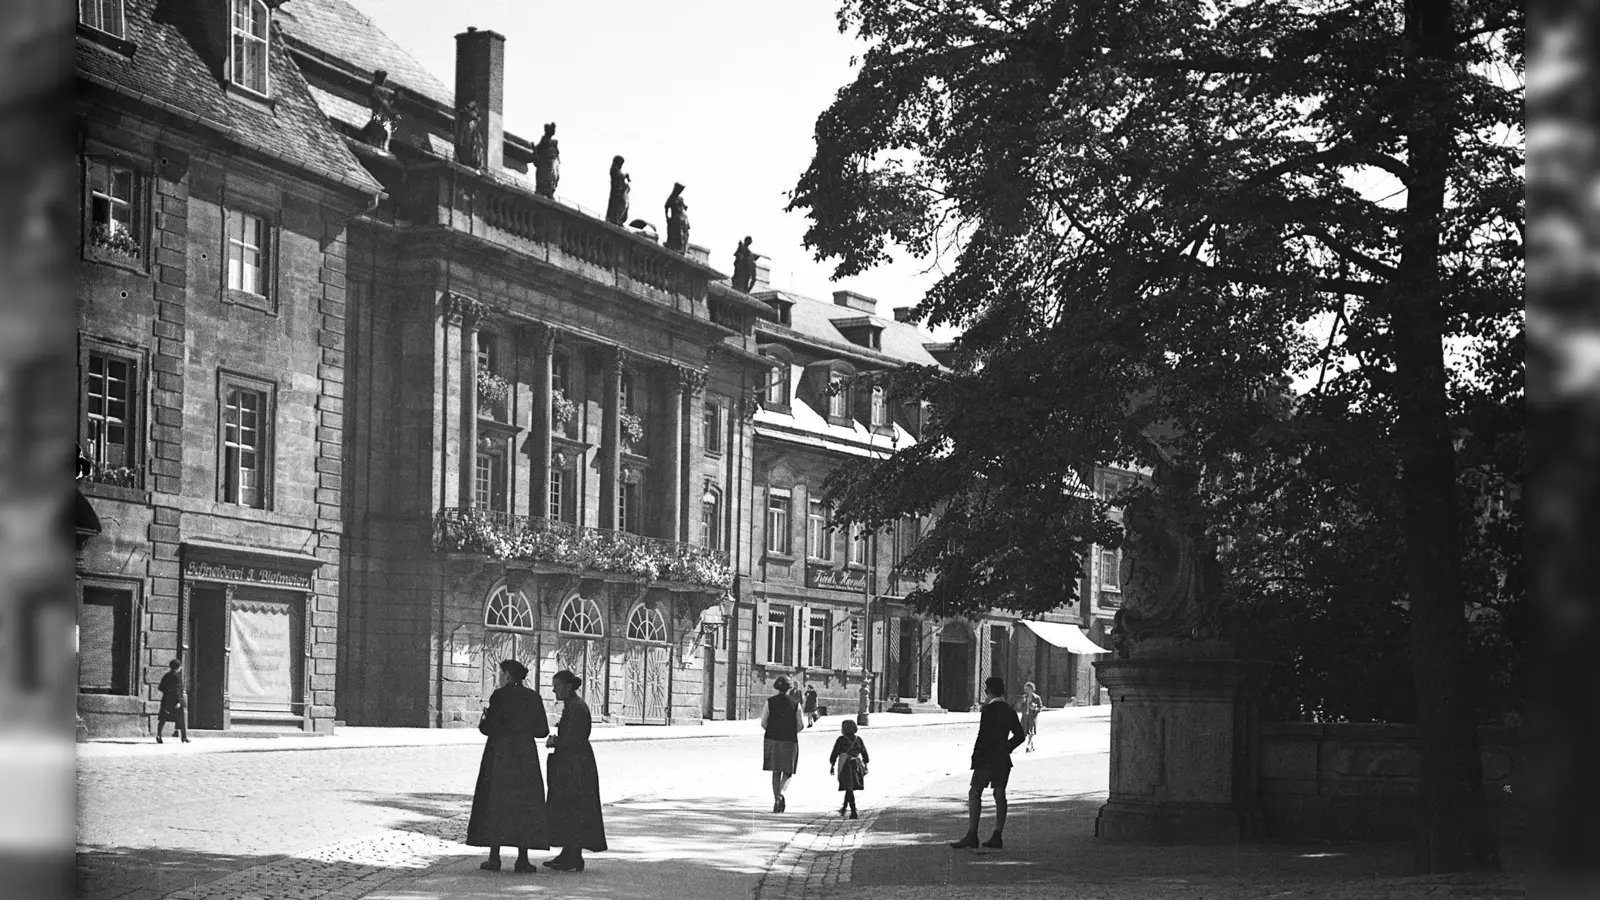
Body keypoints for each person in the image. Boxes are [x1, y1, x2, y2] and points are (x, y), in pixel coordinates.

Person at [467, 659, 550, 873]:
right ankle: (522, 859)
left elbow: (487, 729)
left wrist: (485, 719)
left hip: (500, 756)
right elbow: (542, 730)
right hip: (525, 758)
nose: (499, 677)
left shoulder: (499, 696)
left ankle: (494, 858)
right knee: (524, 804)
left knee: (496, 801)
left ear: (509, 676)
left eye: (501, 673)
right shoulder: (533, 697)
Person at [949, 676, 1026, 850]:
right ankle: (997, 834)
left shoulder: (988, 710)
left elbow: (982, 736)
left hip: (986, 759)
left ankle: (972, 834)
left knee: (974, 793)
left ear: (988, 692)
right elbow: (1020, 735)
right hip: (1002, 760)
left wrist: (976, 757)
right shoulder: (1009, 710)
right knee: (999, 795)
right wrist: (1006, 748)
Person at [546, 669, 606, 871]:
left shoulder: (577, 707)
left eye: (557, 687)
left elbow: (575, 738)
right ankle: (568, 853)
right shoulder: (572, 705)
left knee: (573, 807)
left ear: (568, 687)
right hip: (572, 763)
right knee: (567, 808)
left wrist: (556, 741)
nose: (554, 691)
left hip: (576, 766)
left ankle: (573, 856)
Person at [762, 676, 804, 812]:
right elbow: (801, 725)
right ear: (789, 688)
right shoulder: (795, 703)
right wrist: (791, 731)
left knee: (775, 771)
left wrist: (773, 730)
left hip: (772, 739)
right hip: (790, 740)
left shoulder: (769, 702)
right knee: (787, 771)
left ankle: (776, 800)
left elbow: (763, 722)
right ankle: (781, 794)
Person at [829, 719, 870, 819]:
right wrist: (866, 764)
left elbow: (835, 753)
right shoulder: (858, 739)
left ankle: (853, 810)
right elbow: (864, 753)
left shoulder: (841, 740)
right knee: (850, 787)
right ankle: (844, 807)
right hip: (856, 765)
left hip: (845, 766)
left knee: (849, 787)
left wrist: (832, 765)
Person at [155, 659, 188, 744]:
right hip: (175, 701)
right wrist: (179, 701)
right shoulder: (177, 677)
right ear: (178, 667)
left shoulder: (166, 675)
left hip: (166, 700)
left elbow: (160, 687)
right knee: (181, 718)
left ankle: (159, 735)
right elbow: (177, 690)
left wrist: (167, 692)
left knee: (163, 718)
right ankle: (183, 737)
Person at [605, 156, 630, 226]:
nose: (621, 165)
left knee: (621, 211)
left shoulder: (618, 170)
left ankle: (619, 220)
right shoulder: (614, 169)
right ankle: (615, 220)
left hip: (620, 197)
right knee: (615, 211)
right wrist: (625, 176)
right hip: (616, 196)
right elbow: (618, 178)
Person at [1019, 682, 1043, 752]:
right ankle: (1032, 746)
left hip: (1032, 717)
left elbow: (1040, 707)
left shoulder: (1037, 698)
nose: (1027, 691)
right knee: (1026, 733)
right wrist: (1021, 702)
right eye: (1026, 689)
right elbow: (1019, 707)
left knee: (1031, 732)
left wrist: (1035, 709)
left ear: (1032, 689)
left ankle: (1028, 746)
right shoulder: (1023, 697)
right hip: (1025, 717)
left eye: (1029, 689)